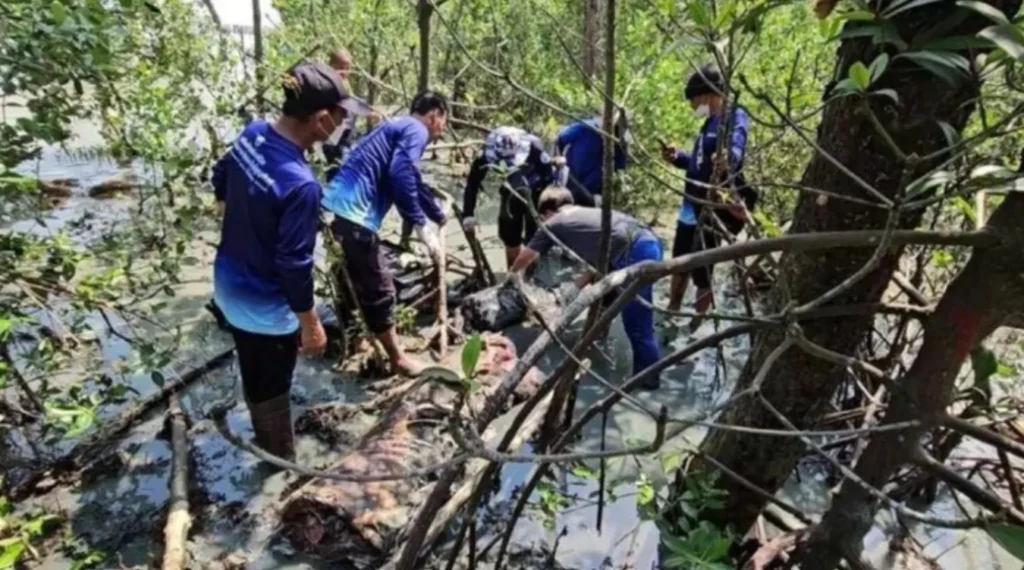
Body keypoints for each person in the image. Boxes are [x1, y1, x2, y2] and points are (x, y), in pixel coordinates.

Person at [212, 62, 369, 460]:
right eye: (341, 115)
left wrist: (244, 226)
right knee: (273, 386)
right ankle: (280, 464)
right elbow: (294, 264)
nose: (342, 122)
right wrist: (311, 325)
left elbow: (221, 178)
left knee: (254, 369)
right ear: (320, 120)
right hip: (265, 308)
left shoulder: (252, 134)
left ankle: (264, 436)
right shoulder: (301, 185)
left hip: (229, 286)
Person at [321, 90, 450, 377]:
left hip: (333, 209)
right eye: (444, 122)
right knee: (382, 289)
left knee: (348, 280)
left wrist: (437, 214)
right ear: (434, 116)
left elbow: (413, 180)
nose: (442, 131)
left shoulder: (397, 128)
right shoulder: (416, 129)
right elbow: (400, 174)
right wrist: (420, 225)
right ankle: (398, 359)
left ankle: (355, 344)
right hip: (356, 216)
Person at [509, 187, 664, 389]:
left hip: (636, 253)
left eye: (541, 218)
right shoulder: (585, 215)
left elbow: (526, 257)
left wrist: (511, 276)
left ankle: (648, 383)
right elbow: (599, 264)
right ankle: (599, 335)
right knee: (619, 305)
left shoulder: (553, 224)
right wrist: (575, 287)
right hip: (649, 243)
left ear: (545, 214)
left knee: (637, 324)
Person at [661, 65, 753, 324]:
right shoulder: (708, 124)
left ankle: (697, 322)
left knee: (703, 268)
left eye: (692, 100)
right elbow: (699, 163)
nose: (692, 106)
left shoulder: (734, 117)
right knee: (679, 262)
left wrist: (730, 160)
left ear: (706, 94)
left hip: (712, 206)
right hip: (690, 204)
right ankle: (672, 311)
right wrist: (678, 158)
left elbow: (737, 146)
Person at [461, 126, 558, 268]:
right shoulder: (485, 155)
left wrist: (548, 210)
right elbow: (473, 183)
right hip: (509, 191)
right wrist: (468, 213)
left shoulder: (535, 149)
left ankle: (533, 278)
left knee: (534, 238)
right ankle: (512, 275)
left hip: (536, 191)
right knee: (510, 236)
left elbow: (549, 179)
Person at [556, 111, 629, 207]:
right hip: (569, 181)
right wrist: (559, 161)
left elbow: (619, 169)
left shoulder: (619, 145)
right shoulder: (585, 127)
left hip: (591, 193)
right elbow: (560, 139)